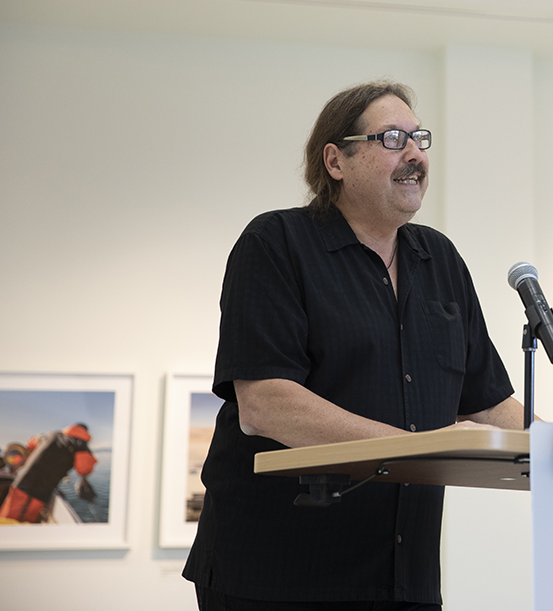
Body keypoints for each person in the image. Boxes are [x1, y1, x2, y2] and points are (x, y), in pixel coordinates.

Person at [183, 81, 526, 610]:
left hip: (403, 575)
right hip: (277, 577)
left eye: (420, 138)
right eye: (392, 138)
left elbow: (487, 399)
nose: (414, 154)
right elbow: (266, 404)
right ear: (336, 161)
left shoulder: (441, 260)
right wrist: (410, 451)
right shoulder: (275, 244)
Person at [0, 423, 96, 523]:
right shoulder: (80, 445)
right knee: (26, 523)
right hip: (41, 491)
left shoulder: (52, 435)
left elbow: (32, 441)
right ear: (86, 432)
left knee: (5, 520)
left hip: (21, 483)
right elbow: (84, 469)